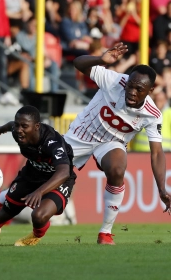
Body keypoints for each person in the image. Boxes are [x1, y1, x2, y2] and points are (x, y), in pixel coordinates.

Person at [64, 43, 171, 244]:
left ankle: (105, 232)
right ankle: (0, 202)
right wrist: (100, 60)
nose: (131, 91)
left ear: (150, 90)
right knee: (42, 174)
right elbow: (78, 63)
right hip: (81, 135)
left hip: (111, 143)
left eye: (139, 89)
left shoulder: (153, 114)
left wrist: (162, 189)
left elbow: (157, 153)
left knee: (117, 169)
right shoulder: (114, 80)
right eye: (130, 85)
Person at [0, 105, 76, 246]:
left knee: (38, 216)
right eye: (18, 125)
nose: (19, 130)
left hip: (57, 180)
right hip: (31, 175)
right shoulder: (17, 131)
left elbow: (64, 172)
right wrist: (0, 129)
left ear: (36, 126)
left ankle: (34, 236)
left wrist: (39, 192)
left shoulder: (52, 143)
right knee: (4, 214)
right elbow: (11, 125)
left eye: (24, 126)